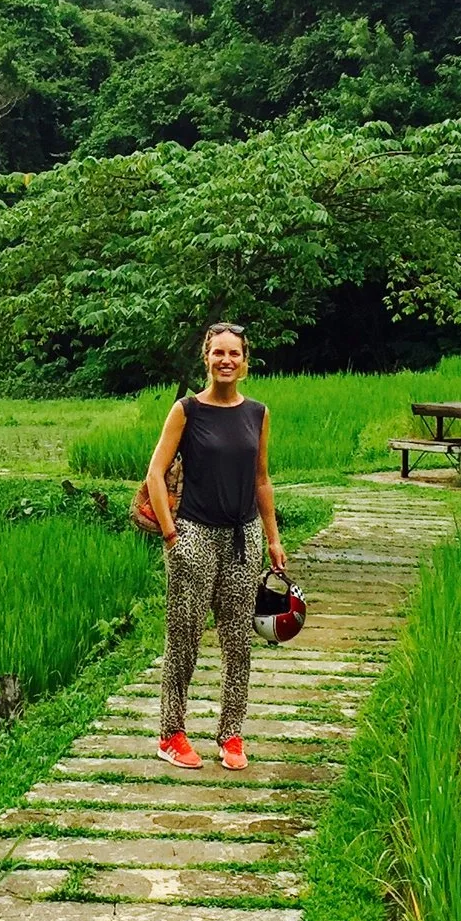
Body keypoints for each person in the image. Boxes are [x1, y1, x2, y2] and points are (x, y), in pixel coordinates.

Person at [141, 322, 288, 771]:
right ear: (206, 358)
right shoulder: (186, 410)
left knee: (238, 641)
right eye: (218, 353)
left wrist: (274, 538)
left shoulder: (257, 413)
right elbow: (155, 474)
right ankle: (171, 733)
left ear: (245, 362)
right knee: (183, 638)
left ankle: (231, 734)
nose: (226, 361)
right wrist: (171, 534)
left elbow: (261, 478)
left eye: (235, 354)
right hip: (195, 534)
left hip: (243, 537)